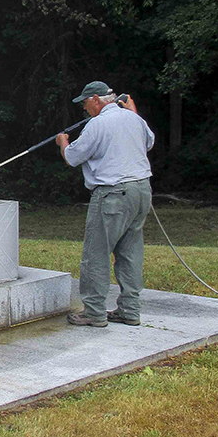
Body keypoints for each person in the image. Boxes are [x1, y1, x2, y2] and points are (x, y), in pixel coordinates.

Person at [53, 81, 155, 327]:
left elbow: (73, 158)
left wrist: (62, 142)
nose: (85, 109)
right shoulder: (134, 119)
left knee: (96, 254)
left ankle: (94, 312)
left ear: (96, 99)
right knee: (130, 253)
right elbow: (148, 142)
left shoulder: (97, 125)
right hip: (141, 191)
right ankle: (130, 311)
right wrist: (132, 110)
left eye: (86, 103)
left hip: (112, 194)